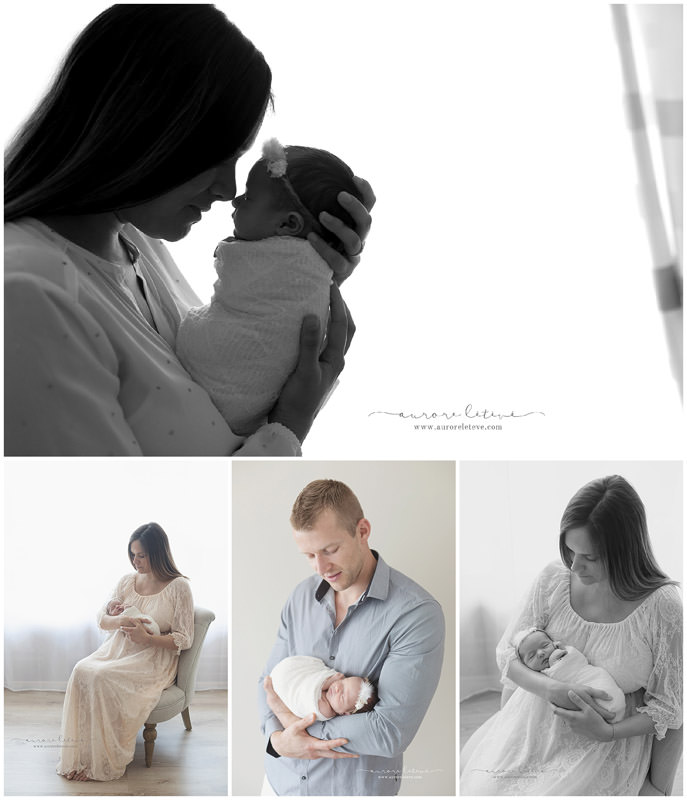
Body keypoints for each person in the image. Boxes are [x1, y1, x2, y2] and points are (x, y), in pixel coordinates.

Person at [4, 4, 374, 456]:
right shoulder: (28, 298)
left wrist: (302, 273)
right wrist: (291, 423)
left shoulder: (136, 243)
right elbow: (129, 517)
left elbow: (232, 373)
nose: (229, 188)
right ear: (139, 126)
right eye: (217, 156)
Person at [460, 475, 683, 796]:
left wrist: (608, 732)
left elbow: (669, 709)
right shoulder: (554, 579)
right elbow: (508, 657)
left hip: (604, 741)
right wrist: (553, 688)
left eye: (590, 557)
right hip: (533, 726)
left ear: (625, 552)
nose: (575, 566)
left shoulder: (662, 607)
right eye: (570, 550)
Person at [258, 479, 445, 796]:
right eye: (308, 555)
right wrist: (277, 741)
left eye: (330, 550)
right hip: (279, 783)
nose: (321, 567)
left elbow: (389, 732)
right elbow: (269, 683)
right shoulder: (300, 597)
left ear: (362, 530)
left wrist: (297, 731)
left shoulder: (416, 614)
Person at [176, 139, 364, 436]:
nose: (233, 198)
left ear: (288, 225)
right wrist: (292, 423)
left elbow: (232, 265)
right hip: (247, 416)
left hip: (225, 383)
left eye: (248, 197)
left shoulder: (294, 264)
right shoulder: (308, 265)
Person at [57, 523, 194, 781]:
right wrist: (115, 613)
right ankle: (82, 756)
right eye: (132, 554)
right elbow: (101, 620)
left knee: (100, 678)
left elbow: (185, 638)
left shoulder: (179, 587)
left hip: (152, 660)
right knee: (81, 670)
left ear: (159, 553)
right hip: (116, 651)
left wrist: (148, 638)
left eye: (142, 555)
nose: (136, 561)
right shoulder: (126, 582)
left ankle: (101, 760)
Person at [514, 627, 625, 721]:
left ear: (554, 644)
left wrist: (559, 659)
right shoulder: (536, 677)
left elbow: (577, 662)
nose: (541, 653)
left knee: (604, 690)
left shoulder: (565, 653)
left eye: (545, 646)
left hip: (591, 677)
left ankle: (611, 705)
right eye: (532, 656)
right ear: (525, 665)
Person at [267, 655, 377, 721]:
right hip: (291, 675)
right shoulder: (332, 696)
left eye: (342, 696)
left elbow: (312, 691)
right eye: (343, 682)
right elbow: (316, 678)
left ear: (344, 713)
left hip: (288, 687)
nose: (337, 689)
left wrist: (329, 681)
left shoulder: (326, 711)